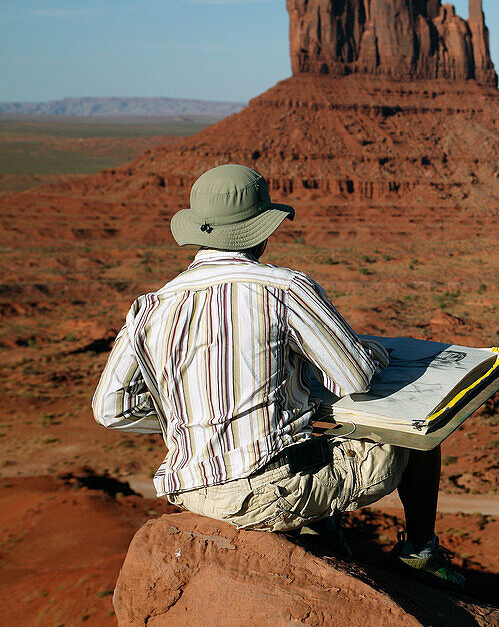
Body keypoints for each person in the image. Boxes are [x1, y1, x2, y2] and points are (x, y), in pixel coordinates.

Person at [92, 164, 463, 589]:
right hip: (266, 491)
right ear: (262, 231)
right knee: (422, 433)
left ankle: (316, 531)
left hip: (191, 488)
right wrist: (371, 353)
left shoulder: (149, 307)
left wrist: (195, 414)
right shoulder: (284, 288)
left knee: (309, 440)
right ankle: (420, 553)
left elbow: (110, 409)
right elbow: (354, 378)